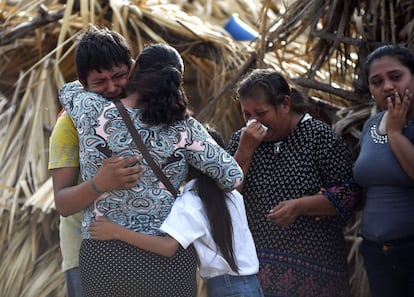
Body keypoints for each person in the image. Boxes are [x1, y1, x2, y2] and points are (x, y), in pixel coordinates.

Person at [58, 43, 244, 297]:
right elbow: (232, 176)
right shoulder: (185, 128)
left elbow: (67, 89)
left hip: (104, 255)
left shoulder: (91, 109)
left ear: (134, 70)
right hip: (165, 258)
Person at [227, 69, 361, 297]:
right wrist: (245, 151)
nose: (252, 122)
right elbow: (226, 196)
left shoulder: (319, 137)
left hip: (316, 273)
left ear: (286, 104)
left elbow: (350, 195)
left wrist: (301, 206)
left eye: (261, 113)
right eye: (246, 114)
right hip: (255, 272)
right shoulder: (242, 141)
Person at [87, 127, 264, 297]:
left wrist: (117, 232)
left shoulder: (191, 202)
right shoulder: (232, 194)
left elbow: (168, 247)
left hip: (226, 288)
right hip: (252, 285)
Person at [49, 25, 141, 297]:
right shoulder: (69, 125)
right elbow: (63, 203)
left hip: (143, 250)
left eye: (119, 76)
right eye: (100, 82)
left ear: (132, 68)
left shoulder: (148, 110)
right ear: (82, 83)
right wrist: (99, 183)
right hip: (87, 256)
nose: (112, 88)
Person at [353, 44, 414, 297]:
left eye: (396, 77)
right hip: (375, 252)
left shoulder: (396, 127)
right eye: (377, 82)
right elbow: (365, 181)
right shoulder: (371, 125)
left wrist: (395, 133)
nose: (387, 86)